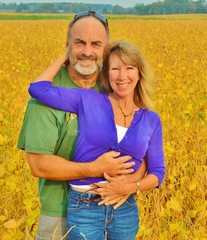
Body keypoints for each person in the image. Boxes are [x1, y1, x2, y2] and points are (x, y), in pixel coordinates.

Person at [17, 11, 145, 239]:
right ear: (68, 46)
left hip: (115, 210)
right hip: (61, 214)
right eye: (79, 43)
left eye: (96, 44)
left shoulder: (117, 88)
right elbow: (39, 165)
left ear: (107, 49)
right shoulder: (47, 96)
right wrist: (94, 168)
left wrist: (129, 184)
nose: (87, 51)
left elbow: (144, 154)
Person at [28, 40, 166, 239]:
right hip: (85, 207)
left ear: (139, 73)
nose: (122, 76)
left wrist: (130, 187)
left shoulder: (151, 119)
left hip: (124, 208)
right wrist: (67, 56)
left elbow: (157, 172)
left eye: (129, 68)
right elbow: (38, 89)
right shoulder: (88, 100)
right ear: (106, 73)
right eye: (115, 68)